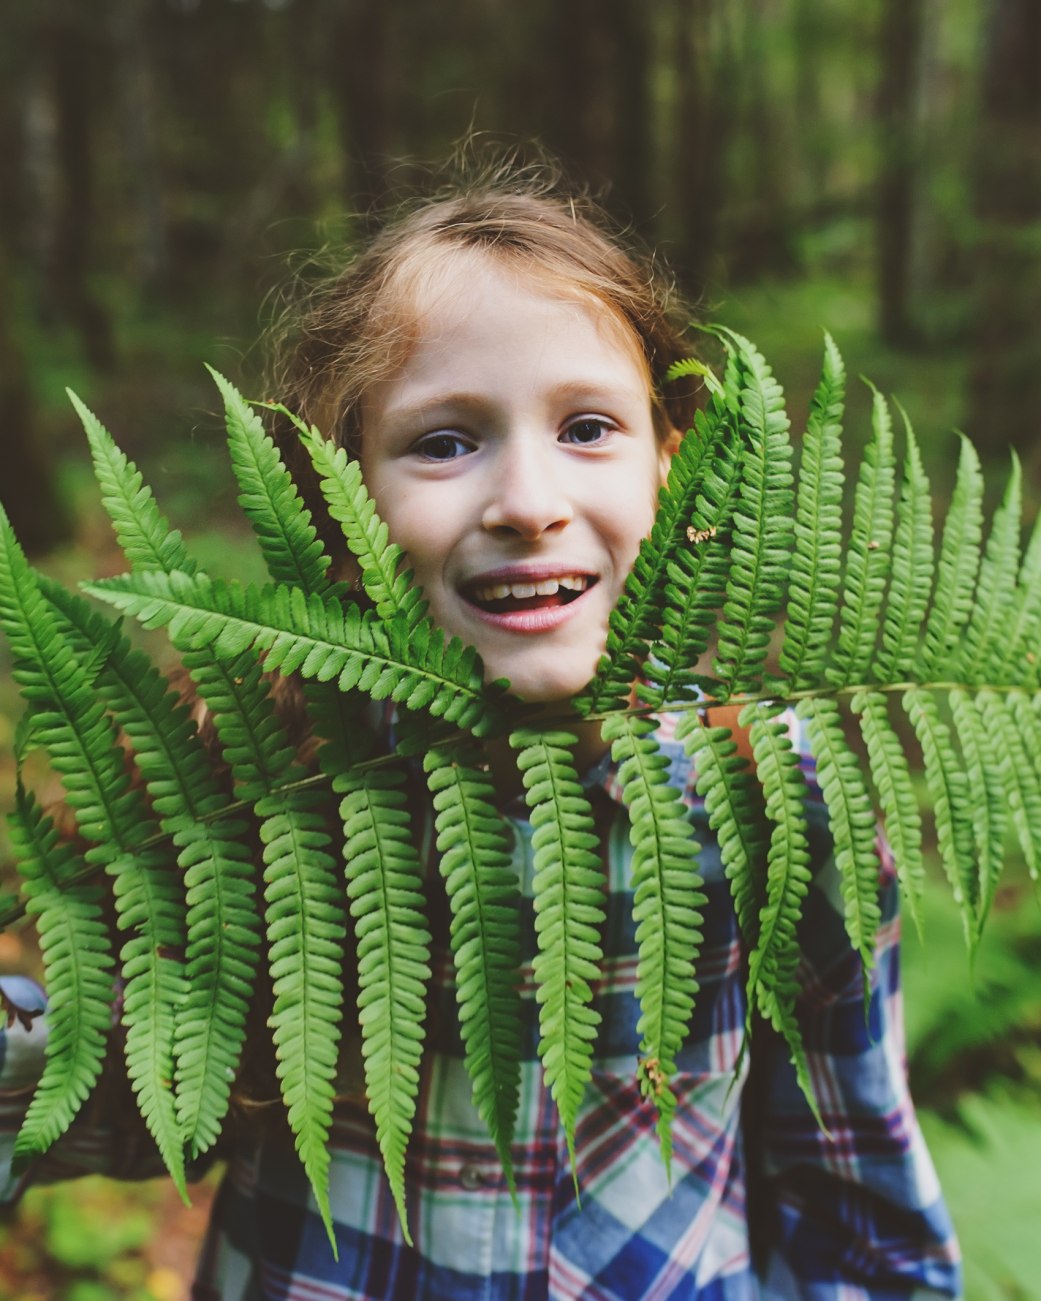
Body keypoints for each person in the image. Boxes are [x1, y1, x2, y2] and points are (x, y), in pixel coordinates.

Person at [0, 154, 961, 1299]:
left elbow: (859, 1196)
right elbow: (126, 1101)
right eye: (446, 441)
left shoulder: (780, 796)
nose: (527, 499)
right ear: (339, 498)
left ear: (676, 468)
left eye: (589, 426)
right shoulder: (279, 774)